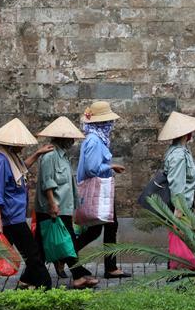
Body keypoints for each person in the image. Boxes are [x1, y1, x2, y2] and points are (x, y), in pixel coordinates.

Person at [34, 116, 100, 289]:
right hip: (52, 209)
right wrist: (52, 204)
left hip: (62, 208)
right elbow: (47, 181)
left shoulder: (62, 156)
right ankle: (78, 276)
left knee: (44, 247)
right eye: (70, 138)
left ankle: (27, 279)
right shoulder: (50, 156)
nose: (72, 141)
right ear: (62, 138)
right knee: (63, 242)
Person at [0, 117, 53, 289]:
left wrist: (38, 154)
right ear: (12, 143)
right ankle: (47, 287)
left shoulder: (11, 157)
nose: (23, 146)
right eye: (21, 143)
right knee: (33, 256)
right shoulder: (1, 161)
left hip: (14, 216)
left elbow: (21, 169)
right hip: (11, 217)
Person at [73, 101, 130, 279]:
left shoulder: (96, 139)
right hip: (98, 190)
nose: (110, 125)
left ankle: (68, 256)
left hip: (101, 190)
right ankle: (109, 267)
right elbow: (91, 168)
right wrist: (111, 166)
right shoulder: (94, 141)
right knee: (107, 227)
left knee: (97, 229)